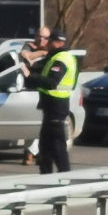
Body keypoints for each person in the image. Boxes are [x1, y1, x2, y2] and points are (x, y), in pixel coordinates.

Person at [20, 29, 77, 174]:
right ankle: (45, 176)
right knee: (45, 147)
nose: (47, 43)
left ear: (59, 43)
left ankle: (65, 175)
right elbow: (39, 70)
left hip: (57, 106)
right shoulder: (54, 57)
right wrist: (28, 69)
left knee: (57, 146)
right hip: (50, 106)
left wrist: (30, 76)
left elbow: (51, 82)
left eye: (50, 41)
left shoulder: (62, 59)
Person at [18, 26, 51, 166]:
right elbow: (25, 55)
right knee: (34, 122)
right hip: (31, 89)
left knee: (44, 124)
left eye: (45, 37)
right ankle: (30, 153)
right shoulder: (29, 46)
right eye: (39, 36)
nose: (41, 39)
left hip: (46, 89)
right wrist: (42, 52)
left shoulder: (52, 49)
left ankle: (35, 153)